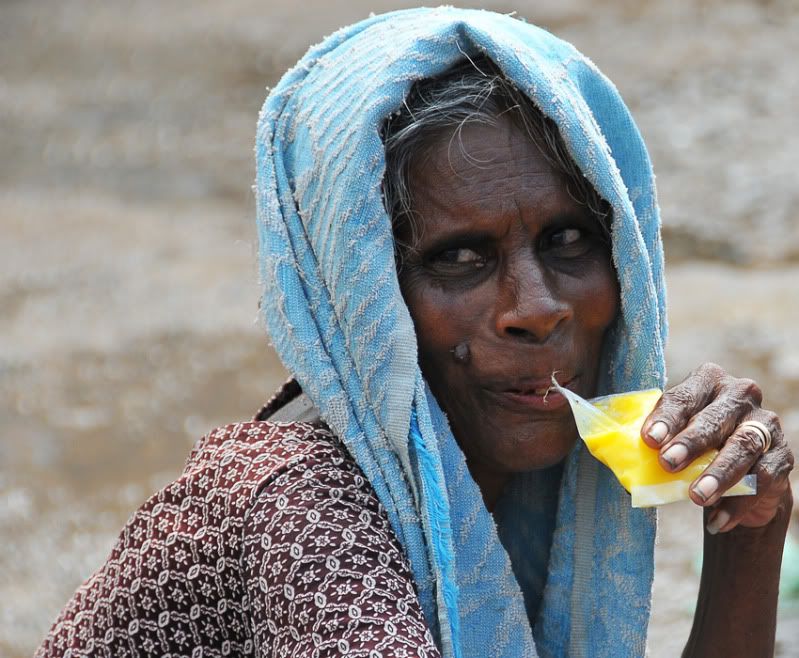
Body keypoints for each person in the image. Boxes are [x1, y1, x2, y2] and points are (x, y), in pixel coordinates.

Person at [37, 7, 793, 658]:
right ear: (359, 301)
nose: (535, 308)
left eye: (569, 240)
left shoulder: (516, 486)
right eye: (459, 258)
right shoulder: (299, 512)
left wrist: (750, 537)